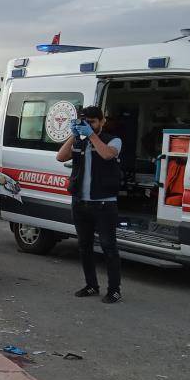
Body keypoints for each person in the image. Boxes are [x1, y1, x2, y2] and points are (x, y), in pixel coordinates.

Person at [56, 106, 123, 304]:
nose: (90, 125)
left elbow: (108, 155)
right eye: (86, 122)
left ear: (102, 121)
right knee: (84, 247)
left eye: (93, 122)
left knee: (109, 247)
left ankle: (114, 289)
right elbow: (60, 157)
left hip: (104, 203)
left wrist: (92, 135)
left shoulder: (113, 140)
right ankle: (91, 285)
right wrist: (73, 135)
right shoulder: (80, 140)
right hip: (80, 202)